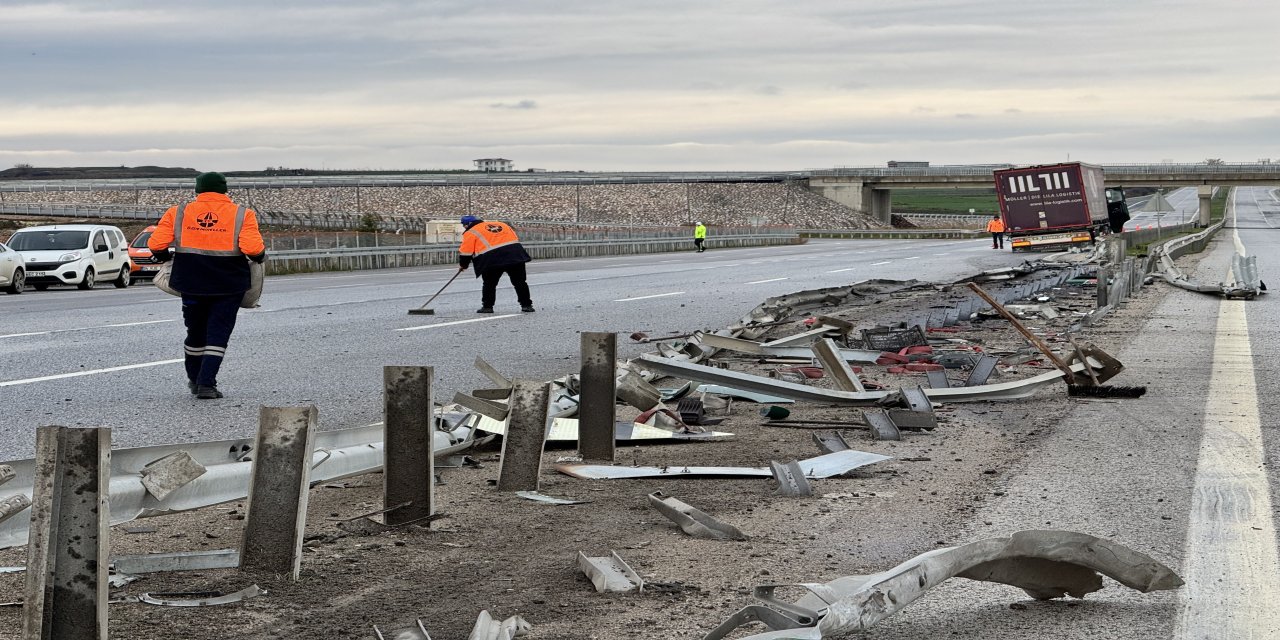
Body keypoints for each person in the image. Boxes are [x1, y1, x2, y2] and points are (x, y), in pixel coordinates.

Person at [148, 172, 266, 399]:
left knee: (195, 332)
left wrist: (164, 256)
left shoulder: (178, 212)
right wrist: (260, 256)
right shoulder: (243, 214)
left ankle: (194, 379)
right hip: (228, 284)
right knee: (218, 333)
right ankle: (206, 384)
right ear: (224, 190)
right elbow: (253, 249)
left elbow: (156, 244)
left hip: (191, 282)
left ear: (198, 190)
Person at [457, 215, 534, 313]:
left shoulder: (471, 232)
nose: (464, 227)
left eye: (464, 225)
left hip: (492, 259)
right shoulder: (501, 224)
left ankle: (487, 307)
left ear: (468, 224)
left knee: (489, 284)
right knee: (520, 282)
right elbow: (514, 238)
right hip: (515, 255)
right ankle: (527, 305)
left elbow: (466, 252)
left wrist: (463, 265)